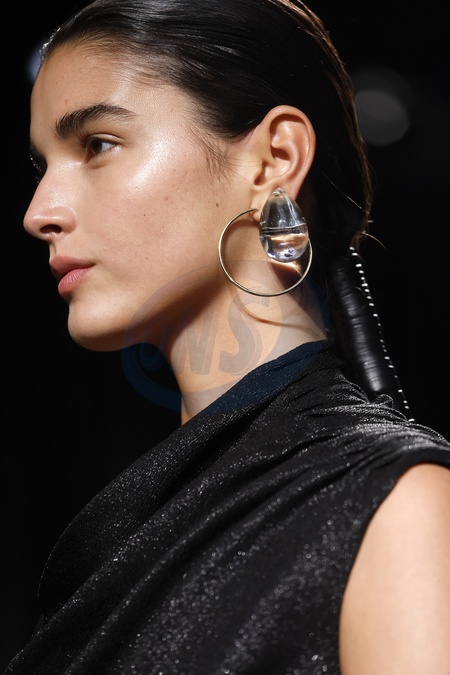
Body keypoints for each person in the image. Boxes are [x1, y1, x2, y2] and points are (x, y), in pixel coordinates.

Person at [6, 0, 450, 673]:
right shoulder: (123, 540)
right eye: (44, 166)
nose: (40, 212)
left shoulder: (397, 510)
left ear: (274, 160)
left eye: (97, 144)